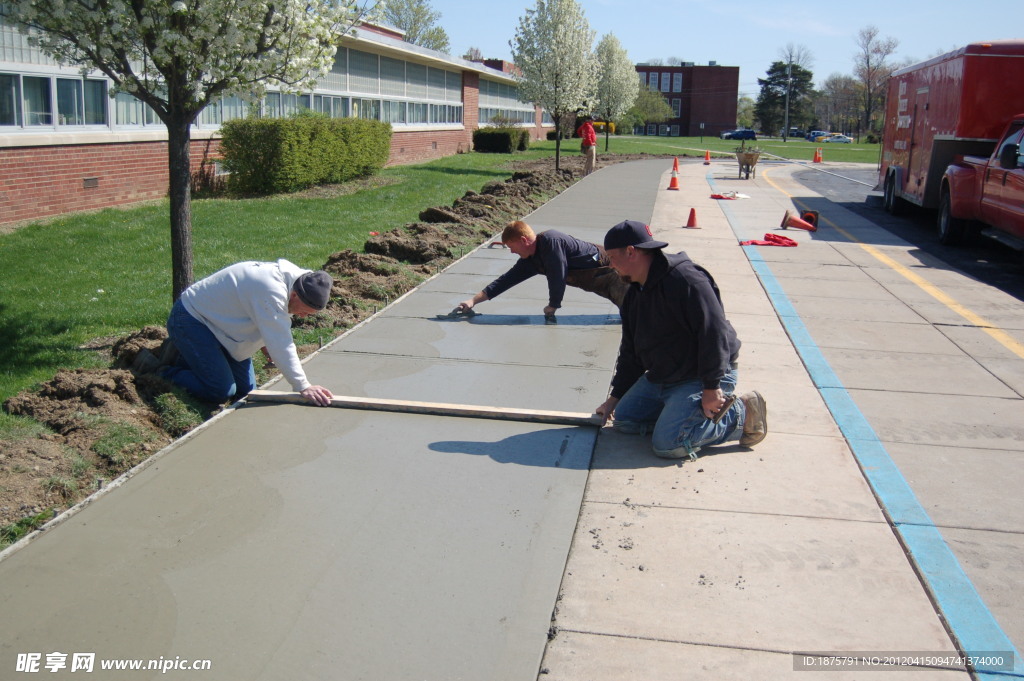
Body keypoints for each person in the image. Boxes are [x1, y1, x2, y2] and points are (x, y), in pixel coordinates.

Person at [594, 220, 767, 459]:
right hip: (665, 373)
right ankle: (679, 415)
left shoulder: (686, 280)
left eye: (612, 257)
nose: (610, 265)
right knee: (625, 421)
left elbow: (713, 334)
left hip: (701, 374)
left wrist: (711, 387)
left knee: (668, 445)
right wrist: (615, 397)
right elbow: (631, 350)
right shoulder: (635, 292)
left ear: (631, 252)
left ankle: (741, 413)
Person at [160, 259, 335, 406]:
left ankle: (195, 358)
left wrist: (265, 343)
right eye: (304, 311)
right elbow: (281, 342)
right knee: (220, 391)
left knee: (247, 392)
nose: (303, 317)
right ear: (295, 296)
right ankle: (164, 371)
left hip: (224, 326)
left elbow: (264, 319)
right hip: (193, 319)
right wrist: (303, 386)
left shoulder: (301, 284)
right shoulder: (270, 290)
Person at [457, 220, 628, 319]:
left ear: (524, 240)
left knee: (637, 313)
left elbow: (557, 275)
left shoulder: (551, 242)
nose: (512, 251)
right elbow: (506, 280)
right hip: (600, 281)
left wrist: (553, 305)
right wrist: (473, 301)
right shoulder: (531, 260)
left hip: (612, 270)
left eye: (512, 246)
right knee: (632, 316)